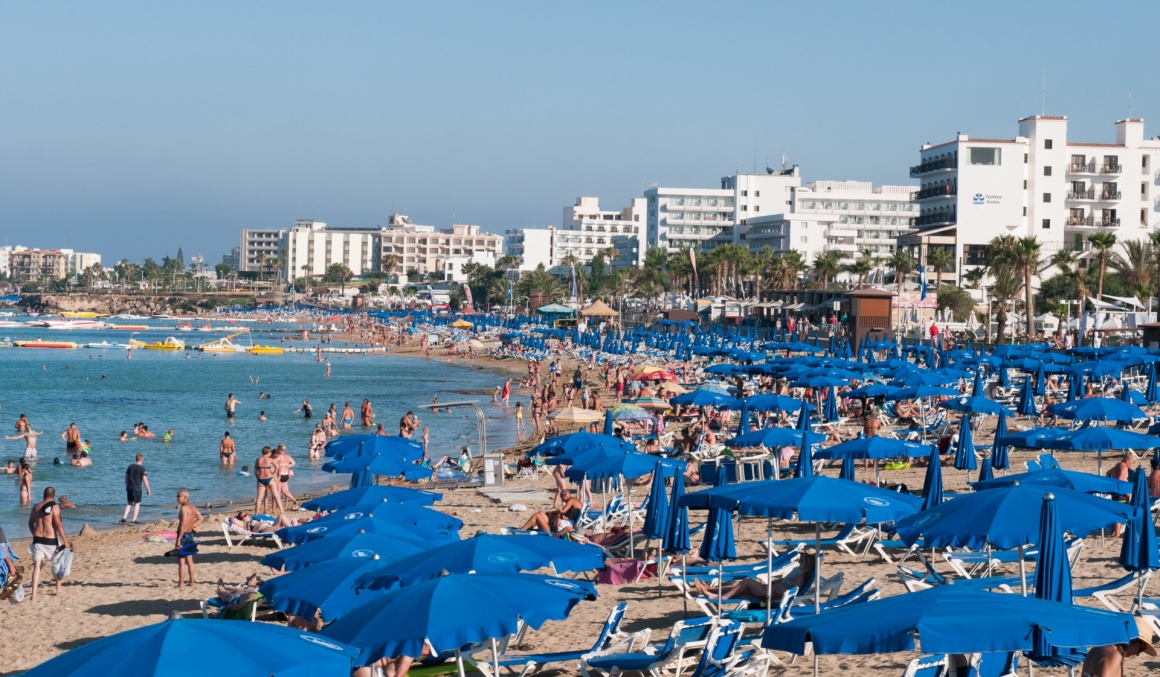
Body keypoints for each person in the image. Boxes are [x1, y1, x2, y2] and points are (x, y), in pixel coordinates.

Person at [693, 552, 816, 602]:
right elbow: (783, 581)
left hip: (771, 598)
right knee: (743, 592)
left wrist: (774, 590)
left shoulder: (801, 577)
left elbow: (791, 592)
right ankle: (710, 590)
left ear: (808, 564)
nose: (800, 560)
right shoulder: (797, 571)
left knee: (747, 581)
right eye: (801, 558)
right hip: (770, 591)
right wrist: (771, 584)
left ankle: (721, 598)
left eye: (803, 559)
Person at [28, 486, 70, 602]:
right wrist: (65, 542)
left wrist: (34, 534)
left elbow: (30, 524)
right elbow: (58, 525)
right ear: (54, 496)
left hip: (37, 540)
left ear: (43, 495)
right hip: (50, 540)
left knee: (37, 566)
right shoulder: (55, 507)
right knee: (58, 563)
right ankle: (58, 589)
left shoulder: (36, 507)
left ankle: (34, 594)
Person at [1079, 616, 1157, 676]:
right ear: (1135, 641)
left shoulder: (1095, 649)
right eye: (1141, 648)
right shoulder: (1113, 655)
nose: (1137, 654)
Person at [174, 489, 203, 589]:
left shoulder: (184, 508)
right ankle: (191, 582)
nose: (177, 498)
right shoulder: (192, 506)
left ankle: (181, 584)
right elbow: (200, 518)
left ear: (185, 497)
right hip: (190, 534)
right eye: (177, 496)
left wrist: (179, 539)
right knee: (190, 560)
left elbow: (183, 524)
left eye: (179, 496)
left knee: (181, 561)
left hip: (184, 535)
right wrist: (193, 526)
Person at [122, 453, 151, 524]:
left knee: (129, 503)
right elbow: (145, 480)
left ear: (136, 459)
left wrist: (127, 485)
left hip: (130, 487)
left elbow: (126, 477)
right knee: (137, 504)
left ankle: (124, 517)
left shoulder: (130, 467)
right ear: (142, 459)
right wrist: (148, 489)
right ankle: (133, 519)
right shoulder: (142, 468)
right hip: (137, 488)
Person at [254, 447, 283, 515]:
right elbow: (277, 466)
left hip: (260, 479)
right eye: (270, 452)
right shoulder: (270, 459)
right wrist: (273, 474)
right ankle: (282, 511)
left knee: (259, 498)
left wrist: (257, 477)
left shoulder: (258, 459)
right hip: (269, 478)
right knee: (276, 495)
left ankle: (256, 513)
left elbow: (255, 470)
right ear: (268, 452)